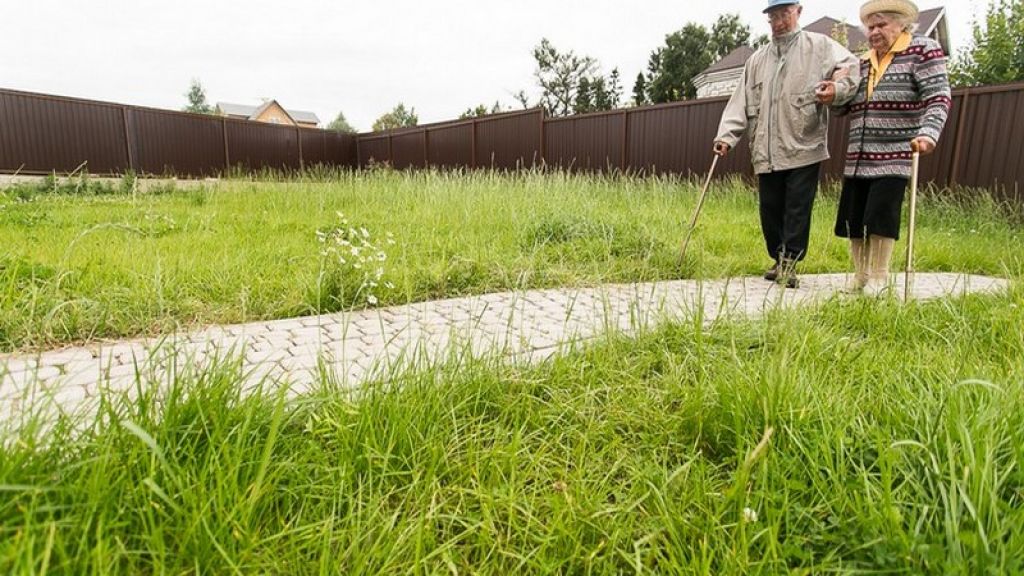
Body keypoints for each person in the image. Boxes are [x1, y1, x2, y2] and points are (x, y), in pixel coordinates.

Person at [714, 0, 859, 288]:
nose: (778, 22)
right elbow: (740, 101)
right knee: (770, 208)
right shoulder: (757, 60)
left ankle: (790, 261)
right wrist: (726, 136)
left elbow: (850, 67)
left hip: (803, 142)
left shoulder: (819, 47)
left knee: (796, 207)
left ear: (798, 12)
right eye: (773, 17)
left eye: (784, 15)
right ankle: (778, 257)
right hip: (765, 148)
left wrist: (837, 87)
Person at [831, 0, 951, 296]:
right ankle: (860, 276)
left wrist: (928, 133)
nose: (874, 31)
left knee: (881, 215)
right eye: (870, 26)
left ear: (902, 25)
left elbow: (938, 96)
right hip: (859, 153)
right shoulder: (861, 62)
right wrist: (833, 92)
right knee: (854, 217)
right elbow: (842, 109)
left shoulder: (922, 51)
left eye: (881, 25)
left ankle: (879, 278)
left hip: (896, 150)